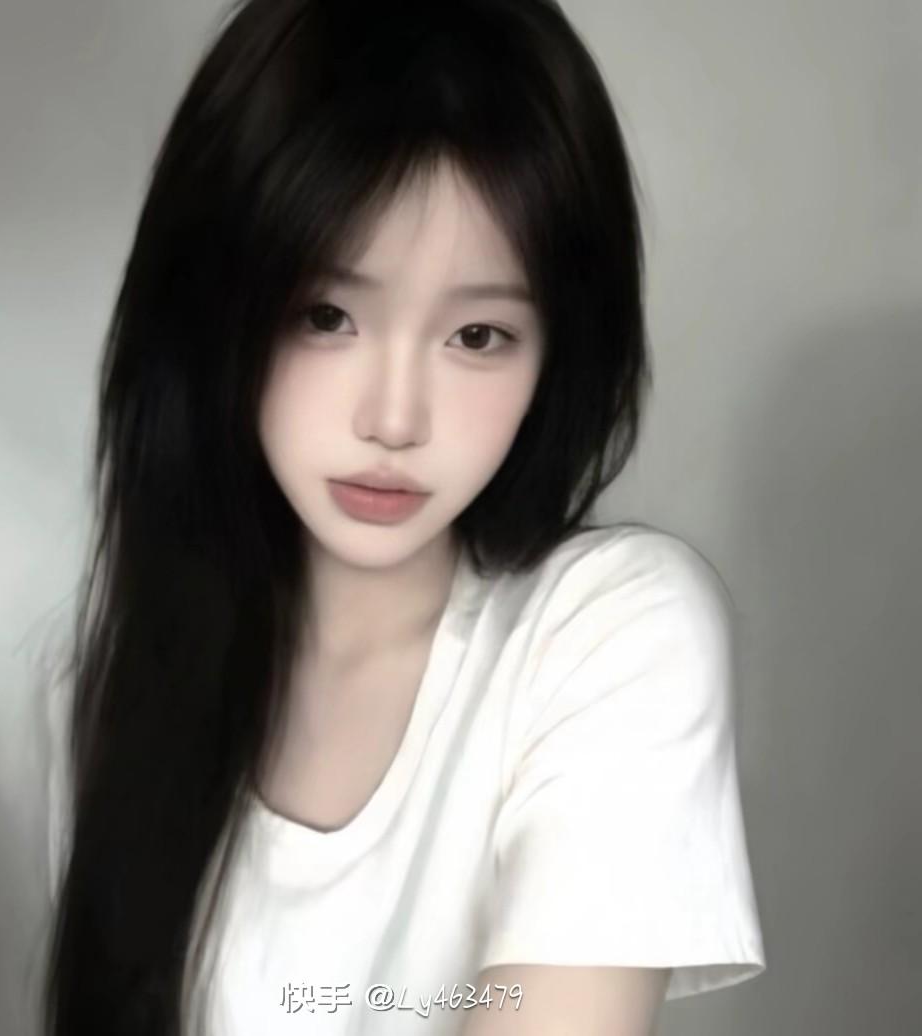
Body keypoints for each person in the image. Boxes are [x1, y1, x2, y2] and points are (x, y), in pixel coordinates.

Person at [41, 0, 767, 1033]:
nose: (393, 419)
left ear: (558, 355)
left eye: (477, 336)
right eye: (326, 315)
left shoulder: (606, 635)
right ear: (211, 314)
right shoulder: (115, 688)